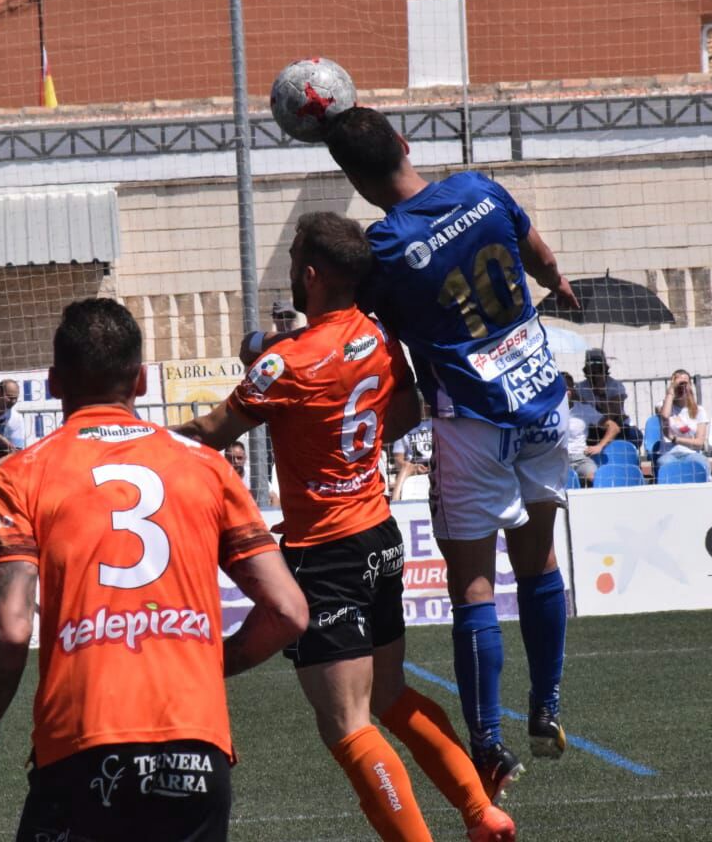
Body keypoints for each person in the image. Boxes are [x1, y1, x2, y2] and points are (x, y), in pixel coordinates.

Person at [177, 212, 516, 842]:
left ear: (309, 274)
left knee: (348, 722)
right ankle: (482, 810)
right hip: (378, 536)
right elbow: (407, 405)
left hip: (324, 552)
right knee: (390, 693)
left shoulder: (290, 363)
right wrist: (347, 450)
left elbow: (209, 434)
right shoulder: (380, 335)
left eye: (294, 264)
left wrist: (130, 443)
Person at [0, 298, 308, 841]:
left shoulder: (21, 475)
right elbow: (288, 610)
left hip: (83, 743)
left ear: (52, 383)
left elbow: (12, 628)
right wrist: (210, 661)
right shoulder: (206, 466)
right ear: (140, 381)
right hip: (195, 745)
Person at [326, 106, 580, 799]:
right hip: (540, 394)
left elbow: (350, 311)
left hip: (470, 415)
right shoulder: (480, 187)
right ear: (406, 145)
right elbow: (541, 254)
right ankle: (547, 702)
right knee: (540, 560)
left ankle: (489, 747)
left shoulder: (384, 250)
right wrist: (556, 283)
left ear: (352, 177)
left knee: (474, 587)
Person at [564, 372, 618, 485]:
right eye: (563, 388)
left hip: (580, 458)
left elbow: (614, 427)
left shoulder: (584, 409)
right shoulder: (548, 412)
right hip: (557, 460)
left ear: (573, 390)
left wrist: (600, 446)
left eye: (569, 387)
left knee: (596, 478)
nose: (567, 391)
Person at [655, 369, 712, 475]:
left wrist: (676, 439)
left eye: (685, 384)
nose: (682, 387)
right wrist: (672, 390)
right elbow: (665, 416)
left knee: (702, 464)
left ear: (690, 386)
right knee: (664, 464)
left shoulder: (699, 410)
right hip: (669, 453)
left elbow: (699, 443)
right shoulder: (662, 405)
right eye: (679, 384)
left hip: (691, 453)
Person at [390, 411, 433, 501]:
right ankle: (396, 503)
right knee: (406, 467)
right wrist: (414, 468)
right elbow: (398, 461)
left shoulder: (438, 424)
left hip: (437, 466)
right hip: (413, 469)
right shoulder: (403, 428)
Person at [0, 378, 29, 460]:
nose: (13, 401)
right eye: (10, 397)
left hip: (0, 463)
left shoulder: (16, 418)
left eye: (16, 398)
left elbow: (16, 452)